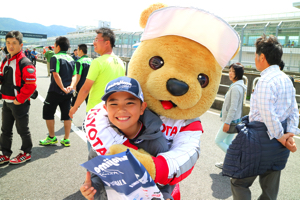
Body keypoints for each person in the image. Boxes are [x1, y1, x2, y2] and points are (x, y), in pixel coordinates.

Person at [223, 35, 298, 200]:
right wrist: (289, 136)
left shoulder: (265, 81)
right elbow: (294, 110)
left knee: (239, 182)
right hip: (279, 148)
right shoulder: (286, 80)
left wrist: (281, 137)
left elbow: (267, 114)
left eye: (256, 56)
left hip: (260, 142)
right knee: (270, 192)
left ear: (262, 57)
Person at [80, 76, 172, 200]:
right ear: (106, 109)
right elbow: (96, 173)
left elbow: (166, 180)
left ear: (142, 108)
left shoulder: (156, 143)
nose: (121, 109)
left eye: (129, 103)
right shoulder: (103, 136)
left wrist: (166, 196)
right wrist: (93, 188)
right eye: (113, 104)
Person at [69, 28, 125, 151]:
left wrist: (74, 108)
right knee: (110, 149)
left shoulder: (98, 62)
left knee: (94, 150)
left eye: (96, 40)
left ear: (107, 42)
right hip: (114, 111)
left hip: (96, 113)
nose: (94, 43)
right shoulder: (121, 63)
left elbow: (85, 89)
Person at [0, 31, 37, 164]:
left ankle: (26, 152)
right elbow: (3, 77)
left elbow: (31, 85)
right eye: (8, 43)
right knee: (5, 130)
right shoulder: (6, 60)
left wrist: (19, 99)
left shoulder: (25, 62)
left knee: (22, 129)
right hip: (6, 102)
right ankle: (5, 154)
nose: (10, 46)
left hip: (19, 103)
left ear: (21, 45)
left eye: (14, 43)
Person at [39, 36, 77, 147]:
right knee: (67, 115)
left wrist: (62, 88)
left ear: (58, 46)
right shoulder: (71, 59)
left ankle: (51, 137)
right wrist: (70, 86)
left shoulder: (55, 57)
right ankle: (66, 139)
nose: (54, 48)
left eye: (55, 46)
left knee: (48, 112)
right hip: (68, 92)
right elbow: (75, 75)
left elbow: (55, 74)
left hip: (55, 91)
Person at [215, 63, 246, 169]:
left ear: (239, 74)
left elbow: (233, 107)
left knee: (218, 141)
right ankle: (227, 164)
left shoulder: (236, 88)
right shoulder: (237, 85)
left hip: (231, 120)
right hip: (235, 119)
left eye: (233, 71)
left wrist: (227, 122)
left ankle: (235, 159)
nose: (230, 73)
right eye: (230, 71)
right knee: (228, 143)